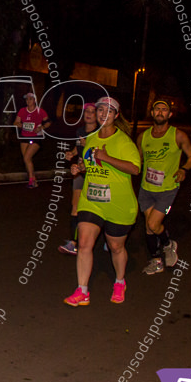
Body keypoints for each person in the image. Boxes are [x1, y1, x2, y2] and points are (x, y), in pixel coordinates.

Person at [64, 97, 141, 307]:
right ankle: (82, 290)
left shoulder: (124, 141)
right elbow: (89, 163)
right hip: (92, 201)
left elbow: (135, 168)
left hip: (118, 204)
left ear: (116, 116)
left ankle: (119, 281)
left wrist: (107, 158)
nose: (102, 113)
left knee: (116, 247)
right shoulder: (92, 138)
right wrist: (79, 168)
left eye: (108, 110)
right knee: (85, 243)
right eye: (100, 110)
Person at [138, 100, 191, 275]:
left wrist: (183, 169)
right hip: (146, 188)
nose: (160, 112)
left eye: (164, 110)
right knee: (149, 227)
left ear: (170, 115)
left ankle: (168, 244)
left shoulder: (178, 135)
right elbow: (135, 161)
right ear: (152, 113)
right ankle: (156, 261)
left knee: (154, 224)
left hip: (167, 189)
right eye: (157, 109)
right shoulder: (143, 137)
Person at [59, 103, 99, 255]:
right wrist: (72, 153)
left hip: (95, 174)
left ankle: (110, 238)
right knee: (75, 206)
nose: (89, 114)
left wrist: (88, 144)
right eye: (86, 111)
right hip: (80, 173)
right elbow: (78, 147)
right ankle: (73, 242)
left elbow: (100, 155)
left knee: (97, 208)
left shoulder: (99, 133)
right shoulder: (80, 131)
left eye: (92, 112)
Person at [15, 92, 51, 188]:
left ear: (35, 100)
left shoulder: (40, 111)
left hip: (36, 137)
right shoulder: (22, 111)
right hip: (24, 137)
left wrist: (41, 127)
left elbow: (48, 122)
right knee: (26, 159)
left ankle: (31, 180)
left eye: (30, 99)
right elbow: (16, 122)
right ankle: (34, 180)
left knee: (27, 158)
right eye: (27, 99)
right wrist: (21, 125)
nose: (28, 101)